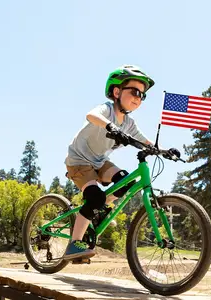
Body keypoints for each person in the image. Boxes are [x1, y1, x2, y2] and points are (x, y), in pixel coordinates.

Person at [63, 65, 156, 261]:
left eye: (142, 95)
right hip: (79, 161)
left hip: (99, 161)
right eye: (135, 92)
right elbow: (91, 116)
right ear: (116, 91)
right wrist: (109, 125)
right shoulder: (106, 109)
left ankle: (99, 209)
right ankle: (73, 244)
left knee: (126, 182)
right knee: (95, 198)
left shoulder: (129, 123)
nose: (139, 98)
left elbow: (142, 139)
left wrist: (159, 149)